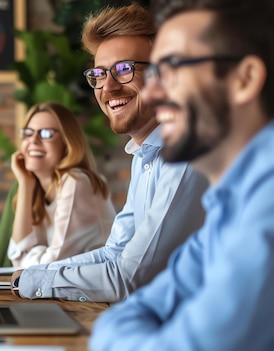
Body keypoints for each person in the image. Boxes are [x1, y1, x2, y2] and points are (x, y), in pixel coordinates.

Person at [90, 0, 274, 349]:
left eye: (172, 68)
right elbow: (139, 305)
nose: (155, 92)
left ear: (244, 79)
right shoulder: (229, 199)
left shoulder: (268, 199)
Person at [11, 4, 208, 302]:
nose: (108, 86)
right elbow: (114, 252)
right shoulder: (146, 157)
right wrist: (34, 275)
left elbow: (129, 278)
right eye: (99, 74)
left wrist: (34, 281)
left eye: (124, 69)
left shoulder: (186, 153)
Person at [7, 101, 115, 268]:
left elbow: (55, 264)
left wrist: (29, 258)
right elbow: (17, 257)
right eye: (28, 133)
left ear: (67, 142)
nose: (33, 140)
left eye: (46, 133)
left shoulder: (76, 181)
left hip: (96, 292)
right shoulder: (36, 189)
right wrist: (25, 184)